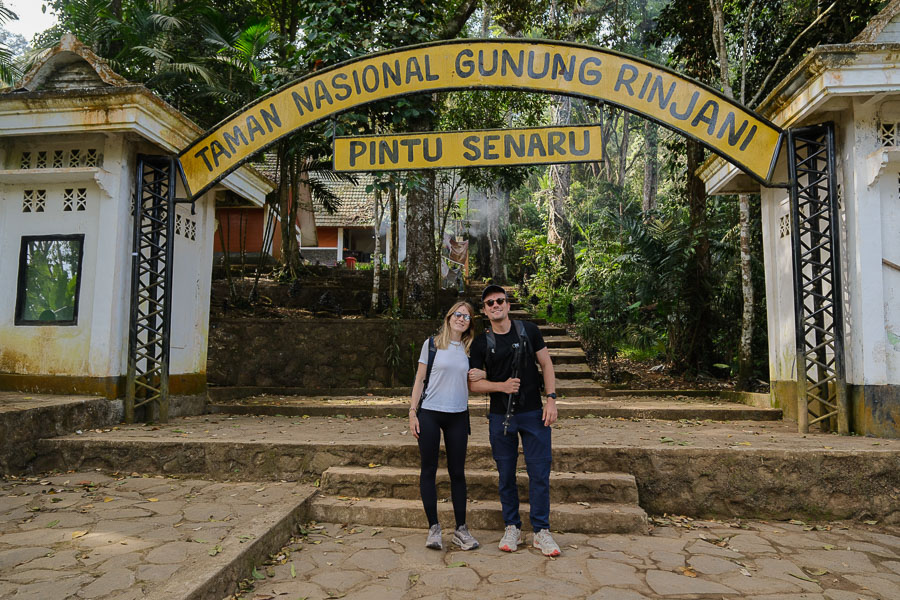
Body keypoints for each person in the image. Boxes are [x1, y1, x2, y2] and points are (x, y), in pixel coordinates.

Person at [468, 284, 561, 557]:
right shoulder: (481, 343)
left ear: (508, 304)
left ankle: (541, 531)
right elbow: (473, 385)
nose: (496, 305)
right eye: (490, 303)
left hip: (534, 413)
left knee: (539, 474)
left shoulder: (529, 330)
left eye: (500, 300)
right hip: (500, 417)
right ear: (485, 311)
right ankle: (512, 526)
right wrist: (501, 386)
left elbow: (546, 364)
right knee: (506, 474)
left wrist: (552, 400)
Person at [409, 301, 480, 551]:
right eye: (458, 314)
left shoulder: (471, 348)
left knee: (457, 472)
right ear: (449, 317)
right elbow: (419, 379)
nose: (462, 319)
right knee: (428, 469)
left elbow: (480, 377)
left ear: (470, 323)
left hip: (458, 415)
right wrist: (412, 412)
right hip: (429, 413)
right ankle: (434, 528)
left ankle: (461, 529)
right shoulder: (431, 344)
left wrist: (482, 375)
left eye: (467, 317)